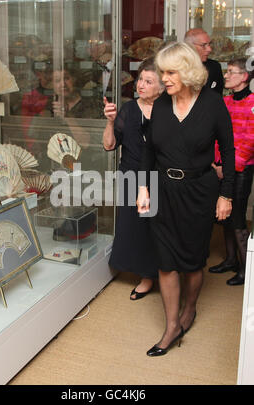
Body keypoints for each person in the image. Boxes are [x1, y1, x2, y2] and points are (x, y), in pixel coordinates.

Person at [137, 42, 235, 356]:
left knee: (193, 263)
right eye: (162, 71)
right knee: (166, 263)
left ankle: (189, 309)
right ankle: (171, 327)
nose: (164, 78)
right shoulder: (162, 105)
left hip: (199, 192)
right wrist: (143, 188)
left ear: (188, 71)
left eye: (170, 72)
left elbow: (229, 154)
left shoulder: (213, 104)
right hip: (164, 191)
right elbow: (149, 150)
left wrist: (226, 194)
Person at [103, 57, 163, 300]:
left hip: (158, 177)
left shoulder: (169, 109)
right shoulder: (127, 109)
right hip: (130, 174)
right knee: (135, 226)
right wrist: (109, 122)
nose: (141, 85)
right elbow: (109, 145)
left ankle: (157, 274)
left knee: (155, 227)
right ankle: (146, 275)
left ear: (162, 86)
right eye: (140, 79)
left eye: (149, 81)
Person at [209, 58, 254, 286]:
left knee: (237, 220)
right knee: (223, 218)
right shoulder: (224, 101)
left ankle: (247, 270)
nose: (225, 76)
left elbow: (249, 142)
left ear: (244, 77)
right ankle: (230, 261)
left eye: (231, 72)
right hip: (222, 168)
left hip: (241, 171)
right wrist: (216, 164)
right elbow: (217, 136)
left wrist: (225, 169)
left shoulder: (253, 103)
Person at [184, 28, 224, 95]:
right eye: (203, 45)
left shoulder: (214, 67)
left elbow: (218, 97)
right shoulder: (177, 68)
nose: (209, 49)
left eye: (209, 44)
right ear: (189, 46)